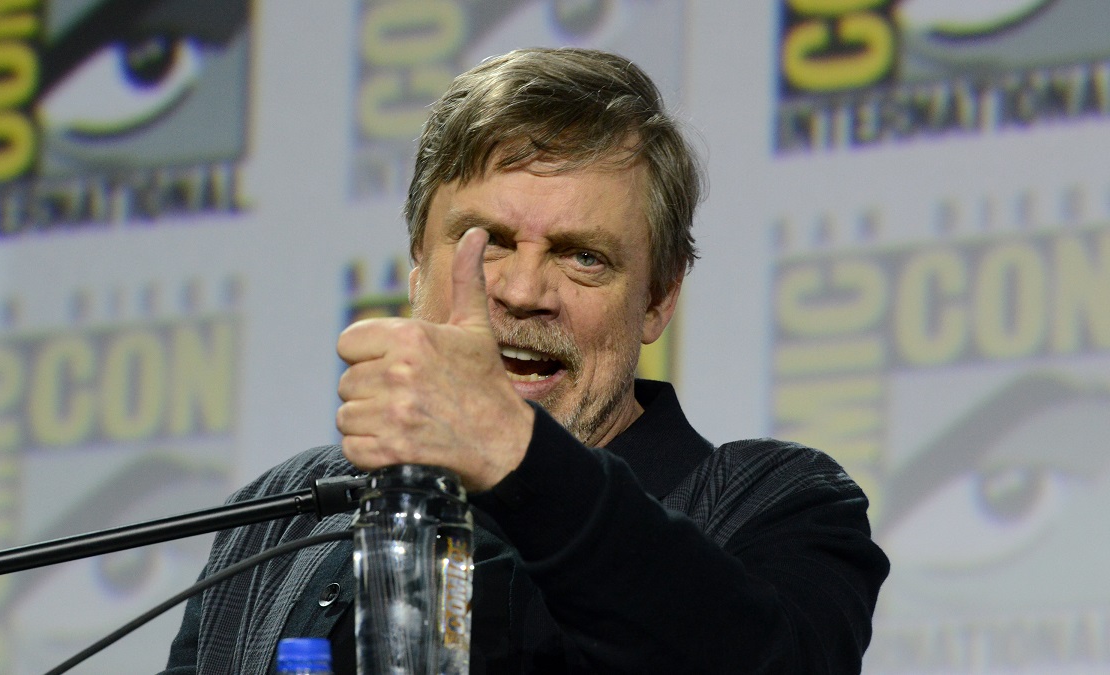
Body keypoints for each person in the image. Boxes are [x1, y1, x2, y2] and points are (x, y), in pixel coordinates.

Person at [162, 47, 889, 674]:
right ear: (419, 263)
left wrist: (513, 449)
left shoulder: (778, 506)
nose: (521, 290)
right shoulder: (278, 517)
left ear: (658, 301)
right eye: (489, 240)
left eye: (583, 257)